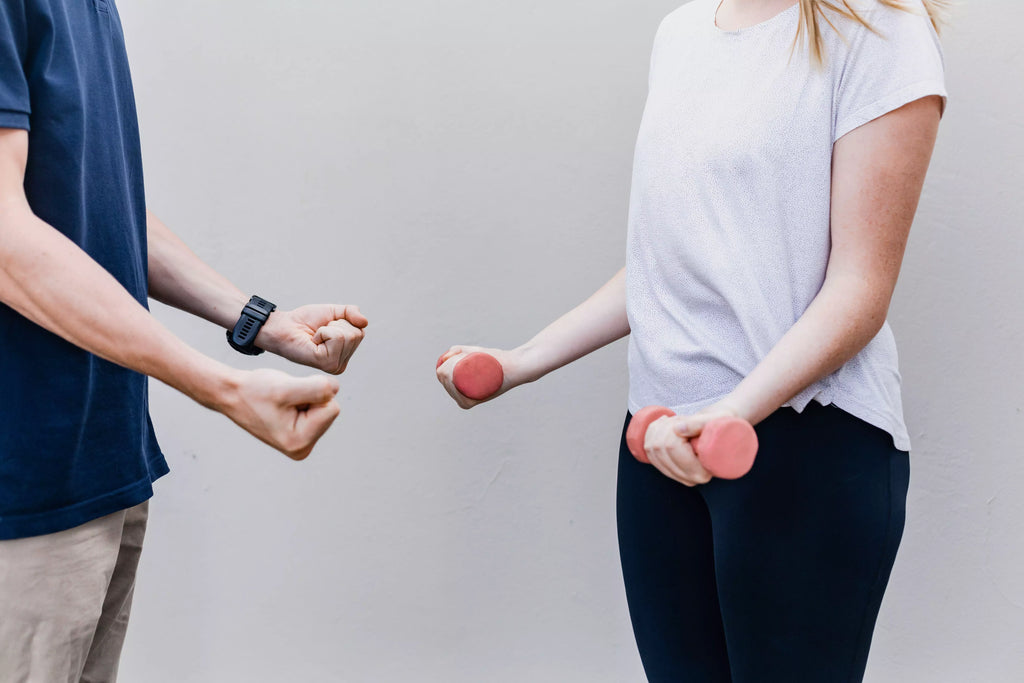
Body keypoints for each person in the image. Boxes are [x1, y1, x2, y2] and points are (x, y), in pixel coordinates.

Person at [437, 0, 947, 680]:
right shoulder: (680, 33)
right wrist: (518, 362)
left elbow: (859, 286)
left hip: (805, 443)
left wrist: (733, 409)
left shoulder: (883, 33)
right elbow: (670, 260)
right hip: (658, 444)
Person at [0, 1, 366, 680]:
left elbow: (93, 195)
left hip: (101, 466)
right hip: (22, 492)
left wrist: (256, 319)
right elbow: (5, 240)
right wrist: (221, 388)